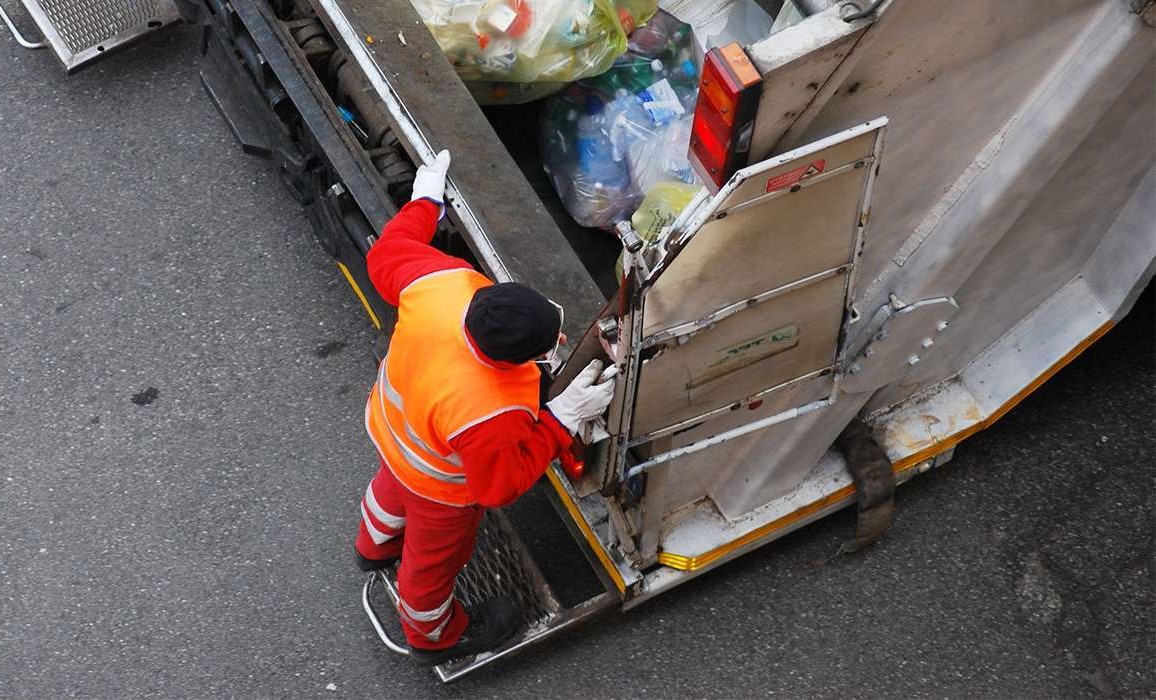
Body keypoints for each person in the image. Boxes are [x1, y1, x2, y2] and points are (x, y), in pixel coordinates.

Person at [353, 149, 617, 667]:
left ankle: (374, 543)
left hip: (395, 429)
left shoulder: (444, 285)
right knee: (431, 563)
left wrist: (426, 201)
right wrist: (562, 418)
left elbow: (388, 251)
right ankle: (434, 635)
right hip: (438, 486)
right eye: (548, 343)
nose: (559, 338)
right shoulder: (490, 409)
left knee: (389, 489)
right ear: (509, 361)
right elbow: (498, 486)